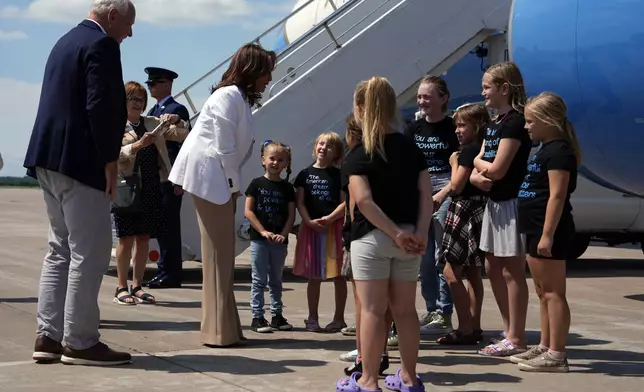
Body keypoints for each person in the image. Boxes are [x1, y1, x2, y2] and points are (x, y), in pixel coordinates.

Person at [23, 0, 135, 366]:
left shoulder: (64, 41)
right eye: (129, 25)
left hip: (48, 158)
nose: (129, 34)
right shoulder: (102, 45)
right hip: (81, 162)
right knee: (90, 252)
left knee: (59, 249)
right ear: (113, 16)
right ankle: (81, 341)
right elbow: (100, 105)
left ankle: (48, 335)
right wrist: (109, 160)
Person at [168, 43, 276, 347]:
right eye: (266, 71)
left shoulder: (235, 97)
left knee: (222, 256)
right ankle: (218, 332)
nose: (269, 78)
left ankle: (225, 327)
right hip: (212, 180)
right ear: (252, 70)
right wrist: (233, 187)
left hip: (216, 179)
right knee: (218, 256)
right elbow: (225, 148)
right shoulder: (228, 96)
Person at [337, 77, 432, 392]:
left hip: (373, 239)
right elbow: (425, 196)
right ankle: (409, 376)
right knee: (405, 311)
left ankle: (368, 379)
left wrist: (393, 233)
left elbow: (363, 202)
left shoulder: (358, 153)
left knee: (373, 311)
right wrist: (416, 233)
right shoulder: (411, 147)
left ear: (361, 108)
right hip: (410, 237)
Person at [512, 92, 580, 372]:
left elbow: (557, 196)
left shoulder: (559, 152)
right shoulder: (543, 149)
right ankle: (544, 344)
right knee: (542, 291)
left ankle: (557, 354)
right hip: (533, 226)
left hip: (548, 228)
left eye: (530, 121)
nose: (526, 127)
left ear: (547, 121)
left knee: (553, 292)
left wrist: (547, 234)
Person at [472, 61, 531, 357]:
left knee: (512, 271)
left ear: (504, 88)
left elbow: (496, 168)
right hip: (494, 203)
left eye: (487, 87)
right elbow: (481, 161)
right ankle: (509, 330)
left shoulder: (516, 122)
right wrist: (477, 170)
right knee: (491, 266)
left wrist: (477, 168)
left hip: (511, 202)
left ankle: (517, 338)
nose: (482, 92)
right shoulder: (494, 123)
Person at [112, 81, 189, 306]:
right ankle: (121, 286)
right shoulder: (115, 125)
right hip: (127, 186)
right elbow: (113, 155)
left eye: (141, 99)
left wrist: (178, 120)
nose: (138, 103)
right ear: (123, 100)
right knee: (125, 238)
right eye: (133, 99)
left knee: (144, 237)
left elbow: (183, 134)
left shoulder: (152, 122)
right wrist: (137, 146)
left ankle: (137, 285)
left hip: (152, 186)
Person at [404, 75, 458, 336]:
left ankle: (444, 311)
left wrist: (445, 192)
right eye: (419, 96)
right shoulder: (413, 129)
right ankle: (431, 309)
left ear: (443, 98)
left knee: (440, 255)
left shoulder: (453, 127)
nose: (422, 101)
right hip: (420, 192)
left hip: (446, 190)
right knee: (423, 256)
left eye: (427, 96)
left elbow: (461, 164)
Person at [339, 109, 391, 377]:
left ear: (351, 135)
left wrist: (347, 235)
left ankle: (365, 356)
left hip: (360, 234)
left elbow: (352, 203)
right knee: (385, 303)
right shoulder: (385, 156)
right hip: (385, 234)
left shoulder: (355, 159)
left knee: (363, 303)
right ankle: (377, 352)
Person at [436, 103, 490, 345]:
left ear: (476, 126)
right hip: (478, 210)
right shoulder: (482, 149)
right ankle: (475, 325)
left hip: (463, 210)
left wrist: (454, 163)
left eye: (462, 125)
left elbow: (457, 186)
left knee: (450, 271)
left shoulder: (466, 152)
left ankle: (465, 327)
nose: (457, 130)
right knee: (473, 272)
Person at [293, 132, 348, 333]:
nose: (324, 148)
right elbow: (300, 202)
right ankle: (312, 318)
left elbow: (345, 201)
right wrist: (308, 221)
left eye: (330, 146)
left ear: (336, 153)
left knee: (339, 275)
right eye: (321, 144)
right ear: (315, 146)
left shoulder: (339, 175)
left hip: (334, 228)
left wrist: (330, 218)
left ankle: (339, 318)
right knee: (314, 276)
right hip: (312, 228)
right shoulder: (304, 175)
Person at [144, 66, 191, 289]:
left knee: (170, 227)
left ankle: (171, 273)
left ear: (167, 84)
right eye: (149, 83)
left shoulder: (177, 110)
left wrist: (180, 179)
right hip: (157, 177)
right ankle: (164, 269)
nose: (150, 87)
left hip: (171, 178)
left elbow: (183, 147)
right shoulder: (154, 110)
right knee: (162, 226)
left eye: (154, 83)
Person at [244, 140, 296, 333]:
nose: (275, 163)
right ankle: (257, 317)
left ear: (286, 164)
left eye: (280, 160)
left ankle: (277, 315)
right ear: (263, 160)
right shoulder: (256, 184)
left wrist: (283, 234)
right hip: (260, 240)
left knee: (276, 279)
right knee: (259, 280)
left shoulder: (287, 188)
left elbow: (291, 215)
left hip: (279, 242)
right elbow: (248, 211)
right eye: (272, 158)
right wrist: (263, 231)